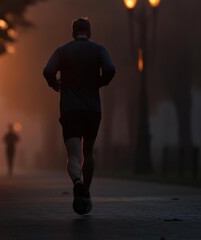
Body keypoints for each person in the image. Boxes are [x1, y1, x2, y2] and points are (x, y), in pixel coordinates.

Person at [43, 18, 115, 215]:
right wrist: (100, 82)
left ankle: (77, 182)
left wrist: (54, 84)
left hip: (70, 109)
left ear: (73, 33)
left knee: (74, 155)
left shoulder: (62, 51)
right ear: (89, 32)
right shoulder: (99, 50)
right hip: (92, 108)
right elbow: (110, 69)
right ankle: (86, 193)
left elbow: (48, 70)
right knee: (89, 152)